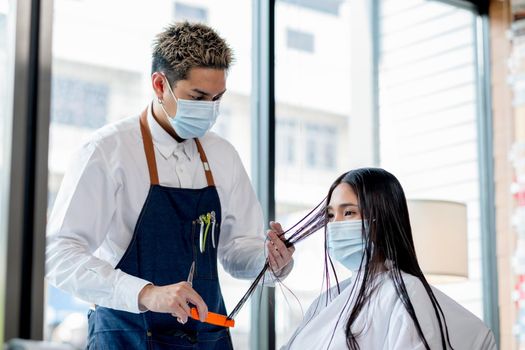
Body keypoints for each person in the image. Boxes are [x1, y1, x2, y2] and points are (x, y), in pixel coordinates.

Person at [45, 22, 294, 349]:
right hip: (127, 337)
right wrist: (146, 294)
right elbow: (58, 255)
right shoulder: (107, 152)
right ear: (160, 85)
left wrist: (269, 259)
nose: (210, 109)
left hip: (207, 338)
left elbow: (236, 251)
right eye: (198, 97)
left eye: (217, 98)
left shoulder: (223, 155)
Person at [281, 168, 497, 350]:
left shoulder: (406, 295)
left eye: (348, 213)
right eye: (330, 215)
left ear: (381, 219)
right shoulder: (326, 301)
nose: (334, 225)